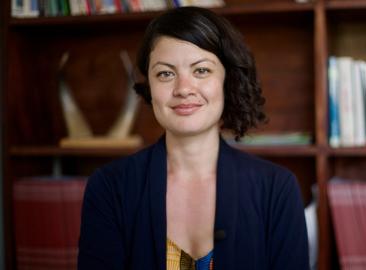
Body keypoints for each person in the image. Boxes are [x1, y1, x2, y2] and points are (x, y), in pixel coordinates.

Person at [78, 6, 309, 270]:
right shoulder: (109, 188)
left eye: (201, 70)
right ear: (150, 87)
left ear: (227, 81)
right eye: (166, 73)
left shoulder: (277, 190)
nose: (183, 89)